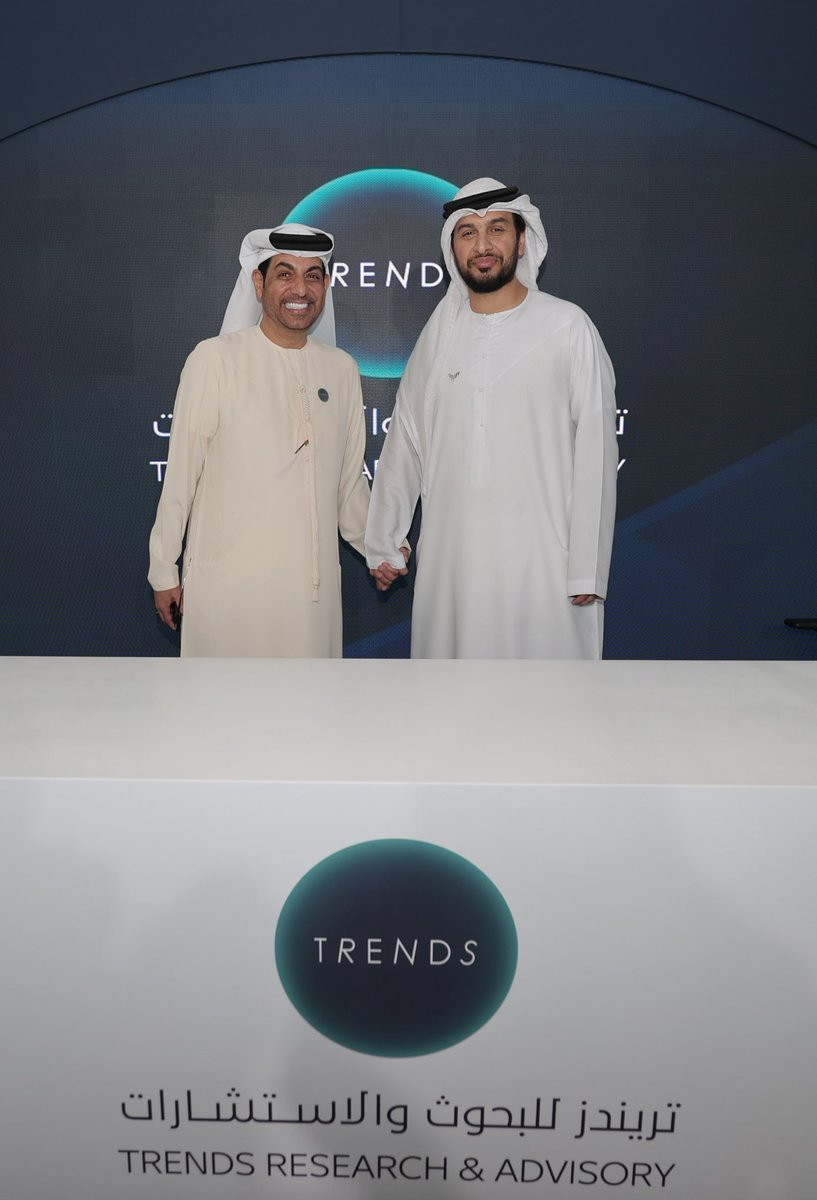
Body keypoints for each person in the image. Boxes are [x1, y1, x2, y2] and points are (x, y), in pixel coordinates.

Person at [365, 177, 618, 659]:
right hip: (452, 570)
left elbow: (597, 452)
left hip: (545, 567)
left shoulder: (567, 326)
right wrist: (384, 541)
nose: (482, 245)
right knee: (452, 697)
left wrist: (586, 567)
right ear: (453, 248)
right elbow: (405, 445)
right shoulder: (438, 339)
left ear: (522, 241)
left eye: (497, 229)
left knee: (546, 696)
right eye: (468, 232)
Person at [148, 224, 371, 656]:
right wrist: (163, 569)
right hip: (230, 593)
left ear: (326, 285)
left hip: (311, 601)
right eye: (285, 274)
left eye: (312, 276)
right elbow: (181, 478)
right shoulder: (214, 360)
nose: (300, 289)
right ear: (258, 282)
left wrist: (381, 549)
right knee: (227, 699)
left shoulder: (341, 370)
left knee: (311, 698)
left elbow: (348, 488)